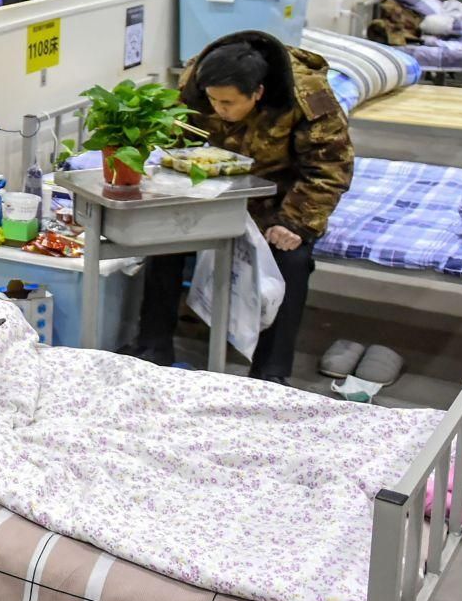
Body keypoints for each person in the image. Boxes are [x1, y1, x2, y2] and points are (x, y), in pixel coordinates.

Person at [132, 31, 354, 382]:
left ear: (258, 93)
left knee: (291, 260)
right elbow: (176, 142)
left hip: (278, 201)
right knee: (163, 242)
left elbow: (330, 168)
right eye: (213, 101)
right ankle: (152, 351)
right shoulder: (197, 81)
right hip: (212, 190)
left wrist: (294, 222)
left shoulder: (307, 96)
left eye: (229, 103)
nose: (219, 110)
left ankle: (270, 374)